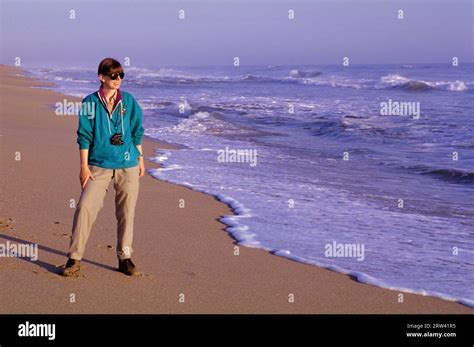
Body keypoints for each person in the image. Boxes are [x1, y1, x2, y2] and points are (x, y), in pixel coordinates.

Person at [63, 58, 145, 277]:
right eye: (113, 75)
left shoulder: (128, 101)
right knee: (84, 208)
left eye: (121, 75)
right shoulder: (90, 102)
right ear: (102, 77)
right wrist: (83, 166)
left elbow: (137, 130)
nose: (118, 79)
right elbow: (84, 135)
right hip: (98, 167)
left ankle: (124, 258)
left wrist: (141, 158)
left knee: (127, 213)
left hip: (128, 165)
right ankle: (74, 258)